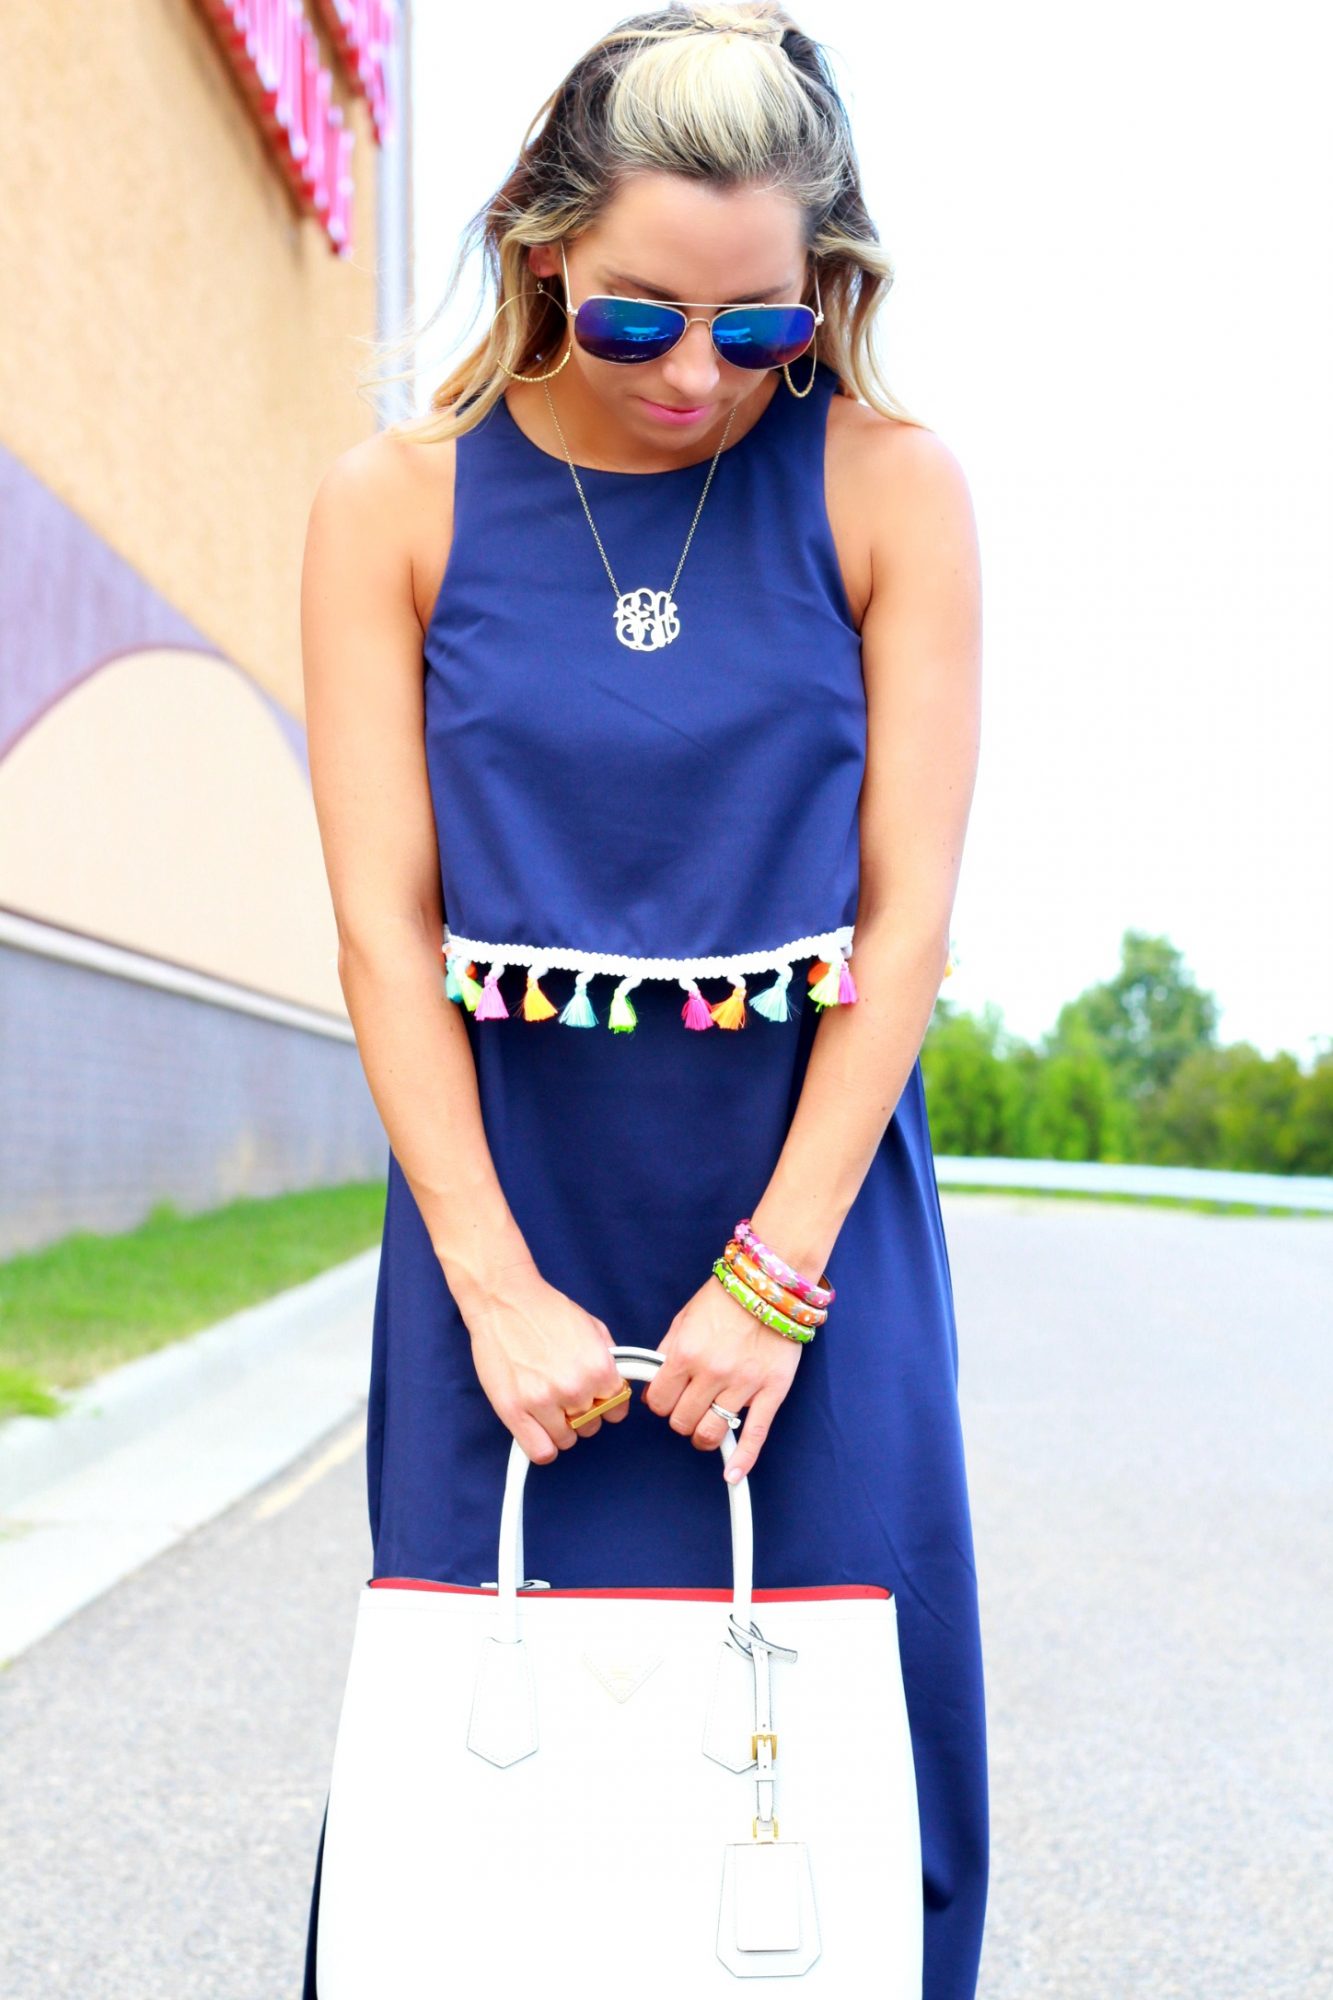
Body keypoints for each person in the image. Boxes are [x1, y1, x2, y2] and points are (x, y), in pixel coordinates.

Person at [298, 2, 987, 1993]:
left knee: (839, 1758)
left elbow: (909, 921)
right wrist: (497, 1286)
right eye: (636, 319)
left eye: (758, 325)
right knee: (478, 1758)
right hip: (499, 1219)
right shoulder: (398, 503)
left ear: (818, 290)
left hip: (813, 1227)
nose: (699, 373)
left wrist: (770, 1281)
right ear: (541, 254)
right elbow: (379, 922)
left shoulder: (890, 489)